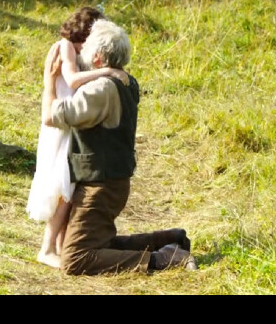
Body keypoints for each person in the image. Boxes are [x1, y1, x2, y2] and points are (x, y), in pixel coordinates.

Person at [42, 19, 196, 275]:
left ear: (99, 58)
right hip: (111, 181)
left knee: (76, 259)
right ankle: (170, 240)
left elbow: (52, 116)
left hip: (99, 186)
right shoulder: (126, 82)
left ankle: (165, 258)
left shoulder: (101, 90)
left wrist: (50, 81)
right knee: (99, 244)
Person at [27, 7, 128, 269]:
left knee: (69, 185)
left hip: (69, 120)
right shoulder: (66, 46)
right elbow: (71, 80)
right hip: (60, 123)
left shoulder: (75, 48)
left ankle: (60, 245)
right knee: (63, 185)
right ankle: (47, 248)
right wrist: (107, 72)